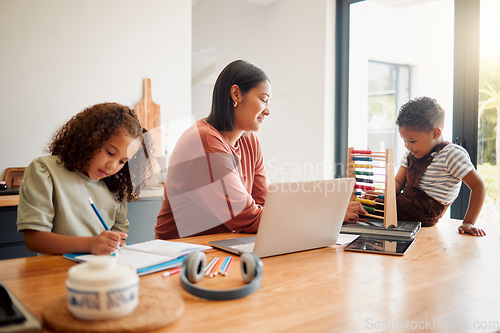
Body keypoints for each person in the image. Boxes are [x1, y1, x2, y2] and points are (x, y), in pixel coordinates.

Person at [155, 60, 365, 240]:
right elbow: (248, 217)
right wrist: (330, 213)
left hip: (221, 246)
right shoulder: (205, 141)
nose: (268, 110)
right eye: (263, 99)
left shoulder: (249, 141)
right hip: (181, 254)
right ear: (236, 94)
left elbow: (265, 204)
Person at [17, 103, 153, 254]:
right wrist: (91, 244)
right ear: (91, 138)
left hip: (101, 270)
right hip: (57, 272)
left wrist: (116, 242)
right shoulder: (44, 171)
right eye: (110, 152)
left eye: (123, 161)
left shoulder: (114, 187)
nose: (112, 166)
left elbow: (118, 234)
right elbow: (35, 239)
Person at [395, 96, 486, 236]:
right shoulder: (411, 152)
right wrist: (385, 197)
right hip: (405, 204)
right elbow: (398, 181)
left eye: (412, 141)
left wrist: (468, 222)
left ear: (435, 133)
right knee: (370, 204)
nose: (407, 146)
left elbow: (478, 186)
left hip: (423, 213)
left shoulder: (451, 154)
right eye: (404, 140)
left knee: (367, 208)